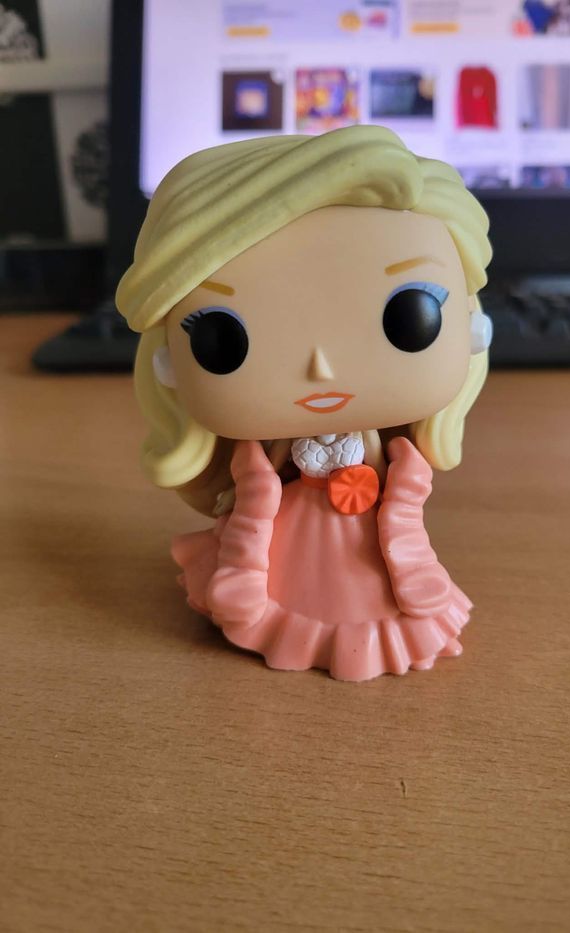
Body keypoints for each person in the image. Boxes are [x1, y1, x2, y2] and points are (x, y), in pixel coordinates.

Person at [116, 125, 492, 681]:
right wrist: (252, 494)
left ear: (470, 327)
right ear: (169, 361)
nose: (321, 369)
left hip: (369, 531)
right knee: (282, 584)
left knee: (371, 582)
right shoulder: (261, 456)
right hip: (289, 532)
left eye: (407, 317)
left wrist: (398, 493)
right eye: (223, 338)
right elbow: (259, 480)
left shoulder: (391, 451)